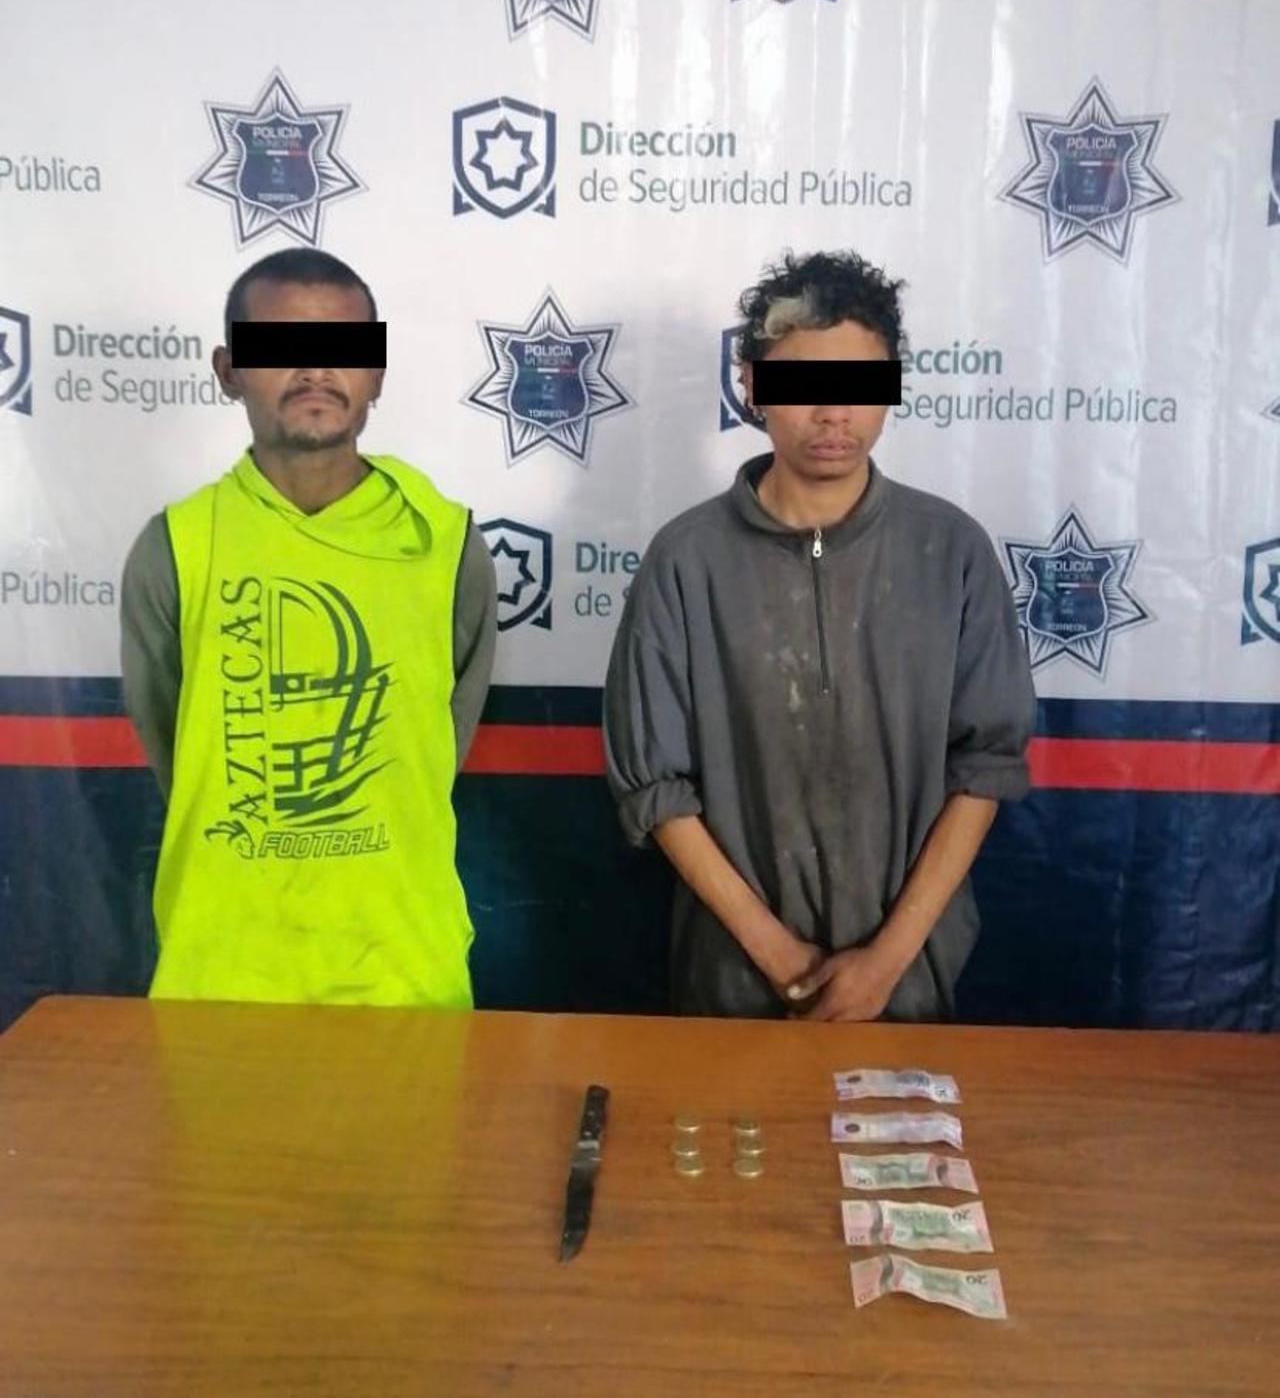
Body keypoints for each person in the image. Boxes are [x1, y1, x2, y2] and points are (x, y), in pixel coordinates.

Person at [603, 250, 1035, 1022]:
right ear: (752, 386)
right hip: (734, 982)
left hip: (909, 980)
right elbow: (656, 788)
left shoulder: (951, 552)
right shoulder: (686, 560)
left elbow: (985, 767)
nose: (834, 412)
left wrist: (884, 964)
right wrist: (784, 961)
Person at [120, 248, 496, 1007]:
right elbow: (175, 747)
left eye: (342, 347)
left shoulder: (446, 543)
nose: (315, 370)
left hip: (402, 978)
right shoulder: (176, 548)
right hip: (221, 976)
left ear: (377, 372)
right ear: (228, 370)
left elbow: (438, 749)